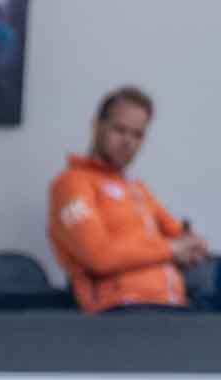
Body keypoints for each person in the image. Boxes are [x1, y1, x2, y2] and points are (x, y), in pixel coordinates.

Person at [48, 87, 211, 314]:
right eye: (120, 130)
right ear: (97, 126)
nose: (128, 142)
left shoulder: (137, 189)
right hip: (122, 312)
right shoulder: (70, 184)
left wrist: (193, 246)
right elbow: (98, 255)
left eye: (137, 135)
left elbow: (180, 237)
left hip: (173, 307)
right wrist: (172, 248)